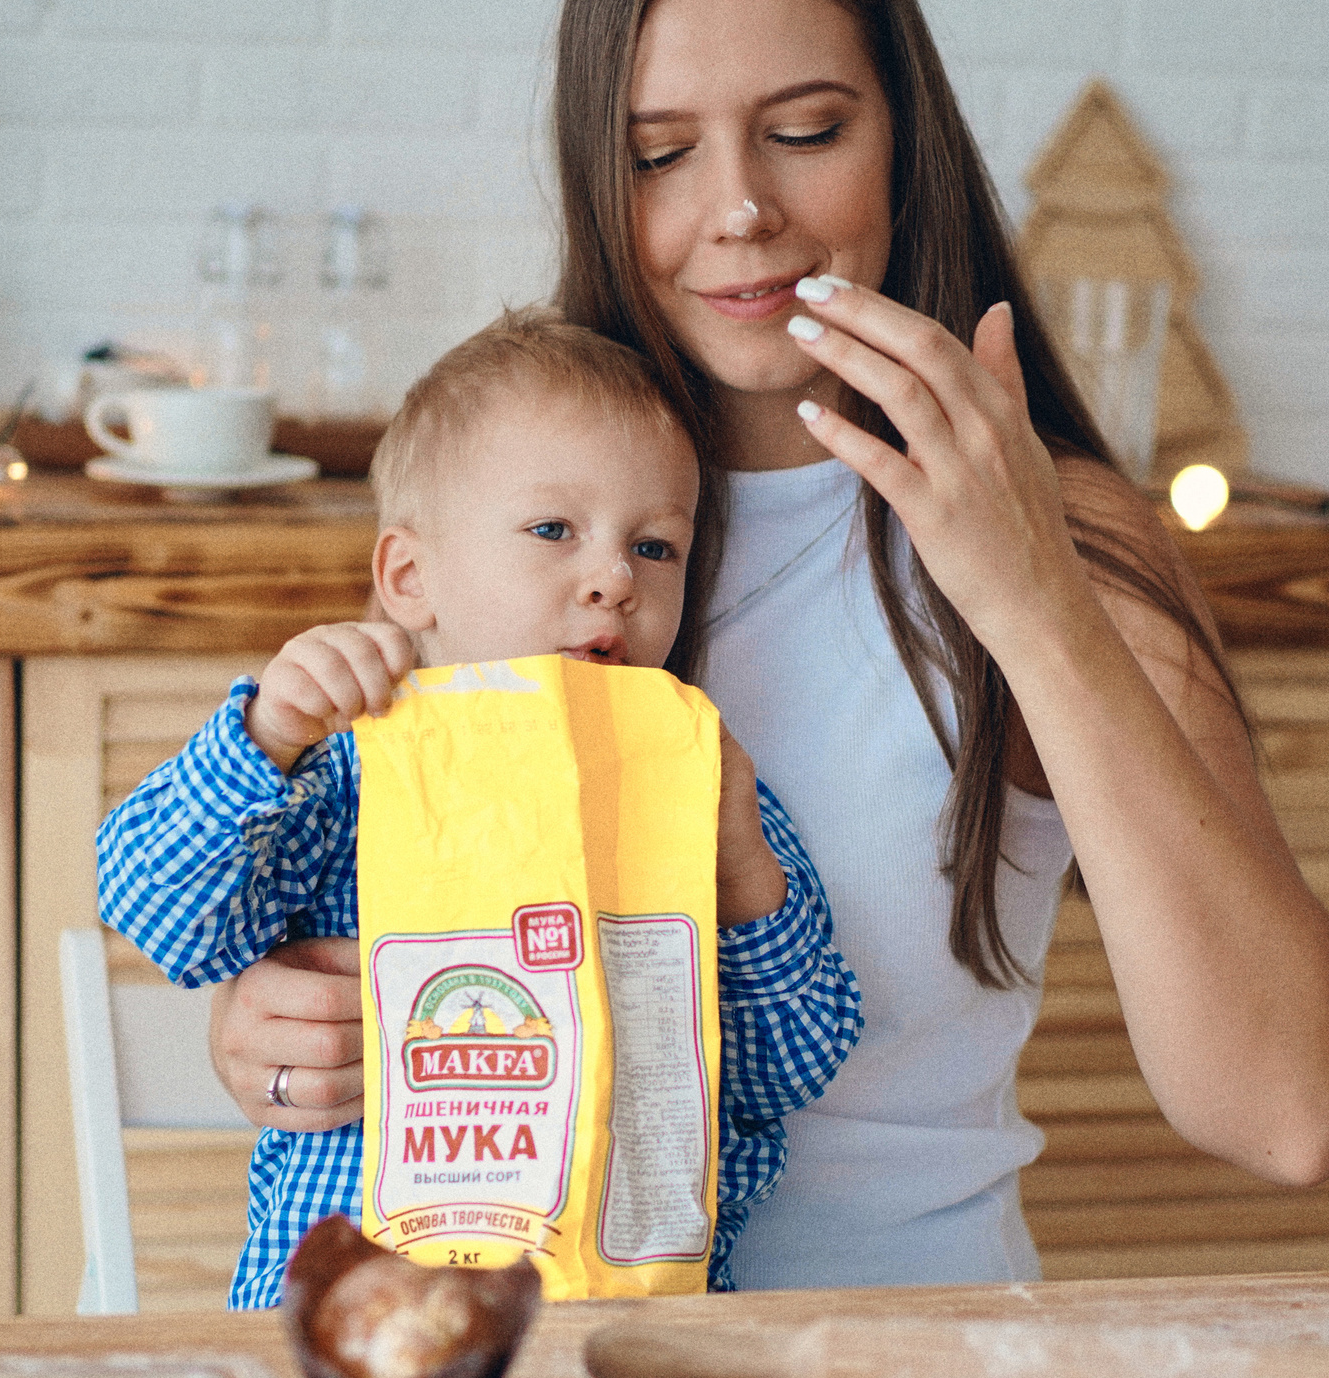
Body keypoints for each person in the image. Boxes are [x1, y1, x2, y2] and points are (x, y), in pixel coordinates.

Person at [207, 0, 1329, 1291]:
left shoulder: (1057, 536)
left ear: (905, 141)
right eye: (660, 154)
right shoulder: (526, 513)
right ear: (600, 182)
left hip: (910, 1370)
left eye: (807, 130)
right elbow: (362, 923)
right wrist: (282, 1039)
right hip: (540, 1361)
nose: (739, 206)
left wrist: (1028, 597)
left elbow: (1294, 1112)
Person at [99, 311, 863, 1300]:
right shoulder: (346, 760)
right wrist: (268, 735)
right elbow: (158, 909)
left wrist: (741, 864)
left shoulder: (697, 777)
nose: (614, 579)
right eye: (554, 530)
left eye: (655, 546)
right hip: (351, 1320)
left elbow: (784, 1071)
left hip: (626, 1327)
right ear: (410, 577)